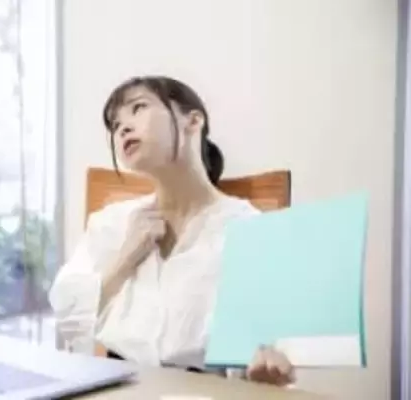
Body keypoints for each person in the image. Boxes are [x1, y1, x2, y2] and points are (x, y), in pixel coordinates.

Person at [48, 75, 295, 387]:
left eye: (138, 108)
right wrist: (125, 258)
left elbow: (263, 348)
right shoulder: (111, 222)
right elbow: (67, 317)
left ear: (193, 121)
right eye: (115, 124)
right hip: (118, 389)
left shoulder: (250, 229)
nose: (122, 128)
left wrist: (262, 372)